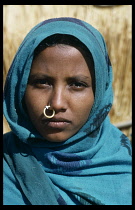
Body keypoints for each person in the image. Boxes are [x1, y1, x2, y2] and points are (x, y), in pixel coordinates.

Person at [3, 17, 132, 205]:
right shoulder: (8, 163)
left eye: (77, 84)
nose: (56, 103)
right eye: (42, 82)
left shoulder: (124, 168)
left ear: (99, 93)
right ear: (20, 88)